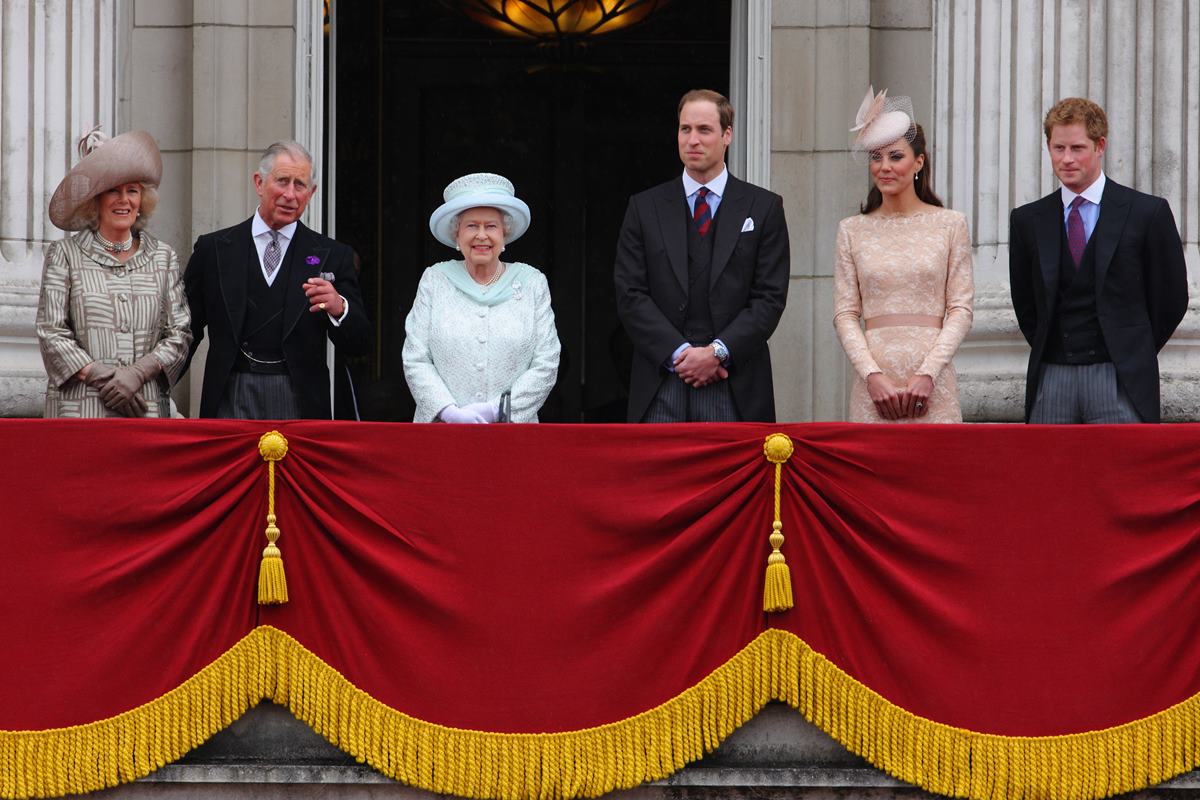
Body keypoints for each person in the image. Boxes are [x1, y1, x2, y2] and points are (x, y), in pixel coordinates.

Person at [614, 89, 789, 423]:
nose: (692, 140)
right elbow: (630, 294)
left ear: (727, 134)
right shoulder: (644, 207)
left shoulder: (764, 208)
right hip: (662, 382)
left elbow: (769, 298)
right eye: (685, 129)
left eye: (704, 130)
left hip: (734, 383)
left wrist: (717, 353)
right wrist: (680, 355)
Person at [1009, 97, 1188, 424]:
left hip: (1121, 378)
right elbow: (1026, 304)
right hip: (1052, 376)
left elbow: (1171, 299)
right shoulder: (1027, 221)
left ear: (1100, 145)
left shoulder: (1147, 213)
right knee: (1050, 473)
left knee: (1124, 474)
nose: (1066, 159)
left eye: (1077, 148)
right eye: (1057, 148)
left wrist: (1131, 349)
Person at [183, 141, 370, 419]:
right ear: (259, 183)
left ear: (312, 192)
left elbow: (360, 344)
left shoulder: (333, 256)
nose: (290, 194)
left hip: (300, 402)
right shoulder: (214, 250)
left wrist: (339, 307)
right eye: (282, 181)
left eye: (300, 185)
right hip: (230, 395)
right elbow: (186, 331)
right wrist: (154, 388)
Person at [833, 87, 974, 423]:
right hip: (873, 388)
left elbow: (961, 309)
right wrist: (871, 375)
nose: (884, 167)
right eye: (876, 157)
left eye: (895, 157)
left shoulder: (950, 224)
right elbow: (845, 313)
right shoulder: (851, 229)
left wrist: (928, 374)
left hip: (934, 383)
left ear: (918, 162)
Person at [36, 127, 191, 418]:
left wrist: (137, 374)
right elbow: (51, 330)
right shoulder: (65, 255)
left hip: (144, 409)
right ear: (95, 200)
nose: (124, 200)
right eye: (113, 191)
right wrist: (103, 376)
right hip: (81, 410)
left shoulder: (163, 257)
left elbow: (179, 334)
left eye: (132, 191)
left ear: (142, 200)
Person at [403, 173, 560, 423]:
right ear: (457, 234)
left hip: (511, 437)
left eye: (491, 226)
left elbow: (547, 362)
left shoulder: (532, 283)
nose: (481, 235)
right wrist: (448, 412)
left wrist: (496, 410)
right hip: (441, 434)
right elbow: (415, 358)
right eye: (471, 226)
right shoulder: (434, 280)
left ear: (505, 234)